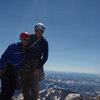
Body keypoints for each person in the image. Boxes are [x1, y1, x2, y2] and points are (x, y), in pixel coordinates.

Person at [21, 23, 49, 100]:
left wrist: (38, 68)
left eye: (40, 31)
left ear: (43, 32)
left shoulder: (44, 42)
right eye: (37, 30)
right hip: (26, 62)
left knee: (34, 86)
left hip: (36, 64)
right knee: (24, 85)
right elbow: (23, 44)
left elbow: (45, 57)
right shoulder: (30, 37)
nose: (38, 32)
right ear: (35, 30)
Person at [0, 32, 30, 100]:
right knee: (6, 88)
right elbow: (3, 56)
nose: (26, 41)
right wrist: (1, 68)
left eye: (28, 40)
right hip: (7, 68)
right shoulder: (13, 46)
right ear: (21, 39)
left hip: (15, 70)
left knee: (12, 87)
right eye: (24, 39)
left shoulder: (26, 49)